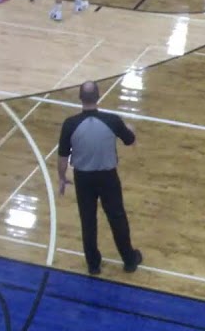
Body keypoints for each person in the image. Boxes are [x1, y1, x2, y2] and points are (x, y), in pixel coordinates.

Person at [56, 81, 142, 276]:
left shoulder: (70, 124)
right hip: (108, 178)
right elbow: (130, 141)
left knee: (88, 220)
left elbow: (62, 157)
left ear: (80, 98)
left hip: (83, 179)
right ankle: (129, 260)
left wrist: (62, 177)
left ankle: (93, 264)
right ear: (98, 96)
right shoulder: (112, 121)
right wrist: (130, 129)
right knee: (117, 217)